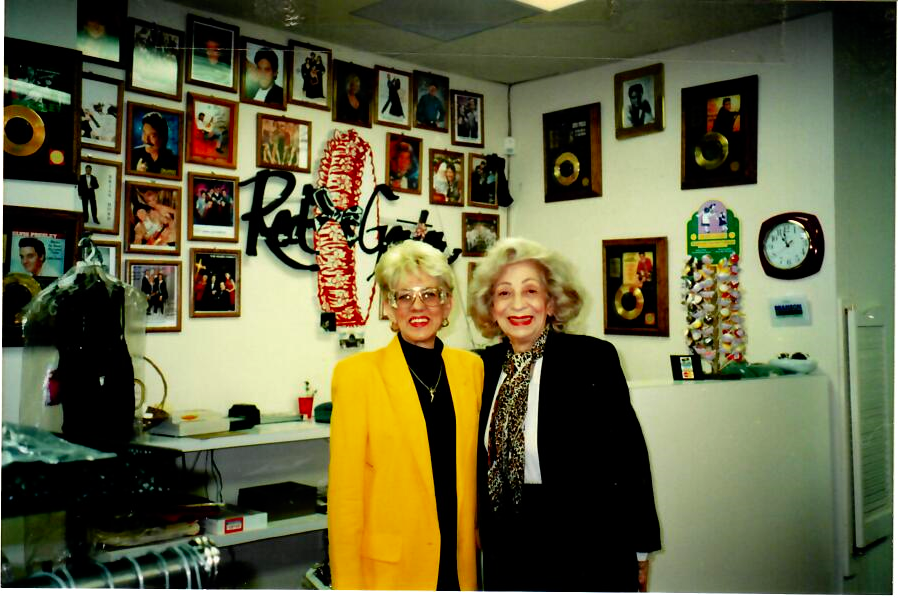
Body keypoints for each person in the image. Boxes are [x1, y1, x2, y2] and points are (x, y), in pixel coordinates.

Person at [467, 237, 661, 592]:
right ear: (491, 307)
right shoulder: (481, 367)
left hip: (586, 549)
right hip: (507, 548)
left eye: (531, 291)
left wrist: (640, 550)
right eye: (504, 293)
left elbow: (629, 458)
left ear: (552, 302)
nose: (518, 304)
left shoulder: (592, 359)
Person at [328, 240, 483, 590]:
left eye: (430, 294)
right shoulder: (356, 376)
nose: (418, 306)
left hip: (456, 565)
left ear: (448, 304)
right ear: (388, 306)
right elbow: (345, 500)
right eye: (404, 296)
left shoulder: (471, 370)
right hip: (389, 570)